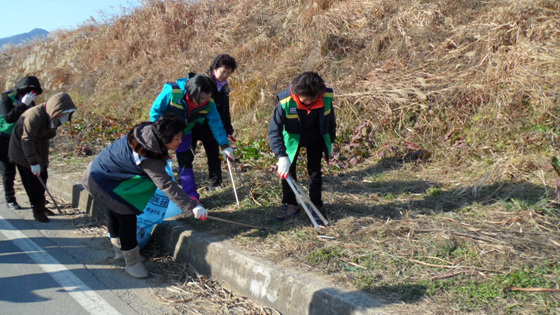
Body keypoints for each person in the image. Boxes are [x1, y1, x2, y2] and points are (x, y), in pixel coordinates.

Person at [82, 114, 209, 279]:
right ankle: (132, 262)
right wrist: (192, 206)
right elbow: (165, 184)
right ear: (164, 138)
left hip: (104, 174)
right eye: (177, 138)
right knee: (126, 215)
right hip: (100, 179)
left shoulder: (148, 133)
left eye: (181, 137)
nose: (180, 142)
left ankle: (120, 252)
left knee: (115, 211)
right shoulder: (148, 153)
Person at [149, 73, 234, 201]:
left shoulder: (208, 103)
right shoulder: (173, 92)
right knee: (157, 162)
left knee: (185, 162)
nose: (204, 101)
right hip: (162, 133)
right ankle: (156, 194)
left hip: (184, 133)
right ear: (192, 92)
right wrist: (161, 133)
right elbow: (155, 111)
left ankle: (191, 196)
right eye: (202, 97)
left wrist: (225, 145)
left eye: (208, 97)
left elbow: (216, 123)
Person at [268, 72, 336, 221]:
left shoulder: (325, 97)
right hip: (292, 137)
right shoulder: (285, 101)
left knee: (315, 171)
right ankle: (290, 204)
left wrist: (331, 141)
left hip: (316, 136)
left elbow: (330, 120)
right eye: (304, 101)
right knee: (288, 171)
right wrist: (281, 156)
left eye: (312, 100)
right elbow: (274, 130)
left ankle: (316, 206)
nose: (308, 104)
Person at [9, 92, 76, 222]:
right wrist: (33, 162)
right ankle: (37, 210)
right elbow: (26, 140)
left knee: (43, 176)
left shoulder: (52, 116)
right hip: (21, 148)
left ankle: (41, 205)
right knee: (33, 180)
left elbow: (44, 138)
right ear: (55, 108)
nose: (65, 116)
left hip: (38, 146)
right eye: (64, 113)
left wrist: (42, 162)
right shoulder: (34, 116)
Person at [191, 54, 237, 190]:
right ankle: (185, 182)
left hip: (212, 126)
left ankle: (215, 183)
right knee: (188, 154)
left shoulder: (224, 86)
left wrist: (228, 129)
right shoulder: (202, 82)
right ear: (214, 68)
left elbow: (224, 109)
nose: (225, 76)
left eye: (229, 73)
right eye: (224, 72)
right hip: (194, 124)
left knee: (213, 155)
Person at [0, 76, 43, 209]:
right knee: (8, 170)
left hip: (21, 139)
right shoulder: (6, 98)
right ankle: (10, 198)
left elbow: (33, 118)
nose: (32, 95)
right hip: (4, 138)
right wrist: (23, 104)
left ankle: (34, 198)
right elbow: (9, 118)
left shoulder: (30, 101)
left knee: (26, 169)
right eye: (29, 92)